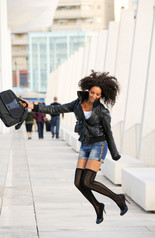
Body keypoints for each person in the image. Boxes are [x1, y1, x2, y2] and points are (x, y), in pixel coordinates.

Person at [24, 71, 129, 224]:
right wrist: (32, 106)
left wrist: (114, 153)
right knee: (78, 182)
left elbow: (108, 132)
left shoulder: (103, 111)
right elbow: (55, 110)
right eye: (92, 92)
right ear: (88, 90)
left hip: (98, 145)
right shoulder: (78, 103)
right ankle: (98, 206)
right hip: (85, 145)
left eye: (97, 95)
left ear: (101, 96)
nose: (93, 96)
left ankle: (118, 198)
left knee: (87, 181)